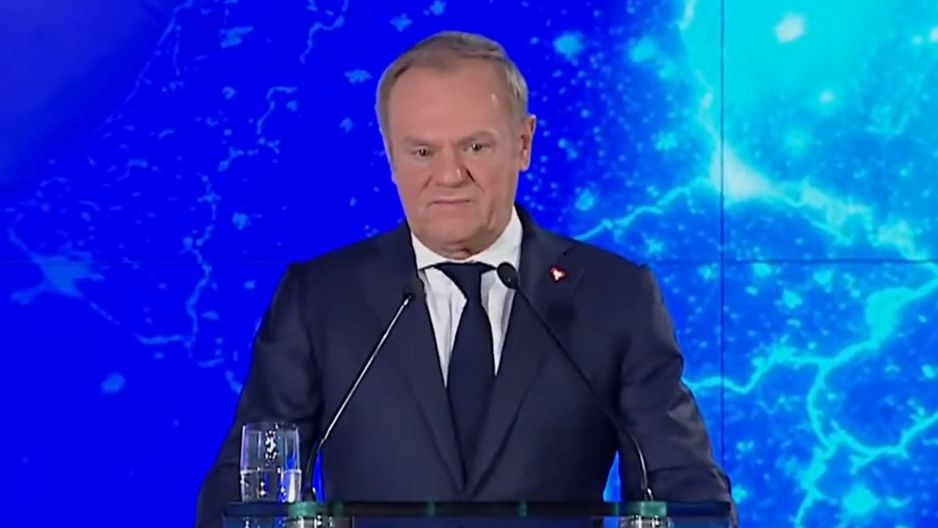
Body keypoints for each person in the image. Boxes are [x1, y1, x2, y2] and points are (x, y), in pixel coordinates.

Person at [195, 30, 734, 528]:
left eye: (475, 147)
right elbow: (242, 491)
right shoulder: (320, 300)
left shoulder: (613, 296)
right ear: (390, 156)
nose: (450, 176)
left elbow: (683, 485)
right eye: (422, 152)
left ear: (523, 143)